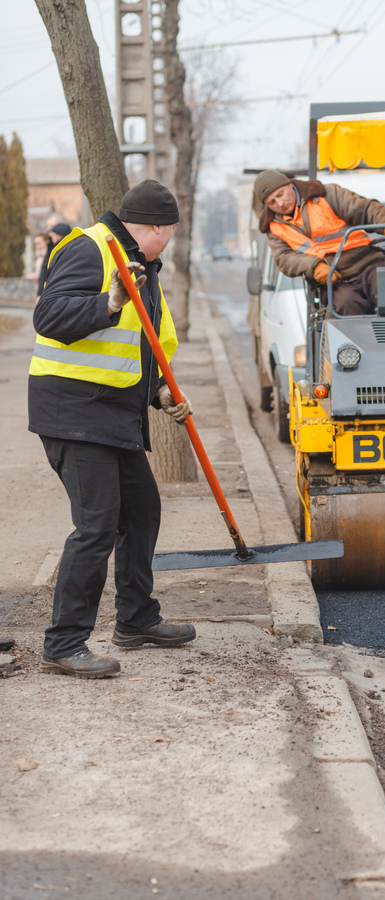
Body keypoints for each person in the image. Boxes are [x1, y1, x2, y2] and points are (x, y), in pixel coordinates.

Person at [28, 179, 196, 679]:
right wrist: (108, 302)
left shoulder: (142, 266)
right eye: (169, 233)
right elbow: (49, 315)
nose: (169, 241)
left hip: (112, 415)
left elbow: (134, 349)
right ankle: (63, 643)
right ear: (158, 228)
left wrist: (159, 394)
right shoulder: (89, 249)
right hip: (74, 413)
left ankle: (137, 620)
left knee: (142, 511)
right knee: (97, 525)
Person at [253, 170, 385, 315]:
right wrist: (314, 266)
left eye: (280, 194)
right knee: (346, 304)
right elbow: (284, 259)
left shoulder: (327, 194)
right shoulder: (272, 227)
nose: (280, 203)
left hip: (367, 263)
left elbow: (364, 209)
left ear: (290, 185)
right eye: (272, 202)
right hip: (333, 279)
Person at [38, 223, 72, 298]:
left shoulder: (58, 249)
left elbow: (46, 269)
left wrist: (40, 293)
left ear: (58, 236)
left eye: (53, 234)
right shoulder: (52, 246)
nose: (51, 236)